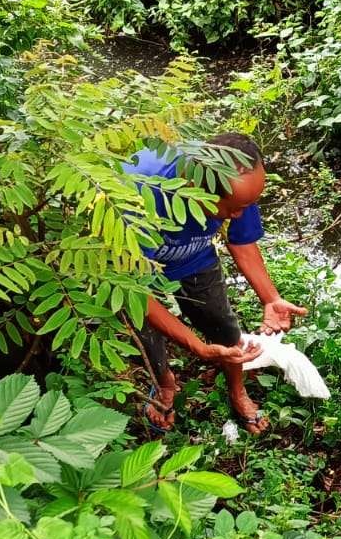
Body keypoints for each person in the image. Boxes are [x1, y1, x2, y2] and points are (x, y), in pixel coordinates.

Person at [128, 133, 307, 434]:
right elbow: (134, 293)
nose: (239, 214)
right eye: (233, 208)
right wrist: (197, 346)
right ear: (197, 189)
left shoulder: (235, 182)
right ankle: (165, 383)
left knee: (224, 327)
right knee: (147, 335)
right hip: (138, 269)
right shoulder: (140, 196)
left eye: (247, 204)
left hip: (195, 257)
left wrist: (270, 297)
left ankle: (238, 392)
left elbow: (242, 240)